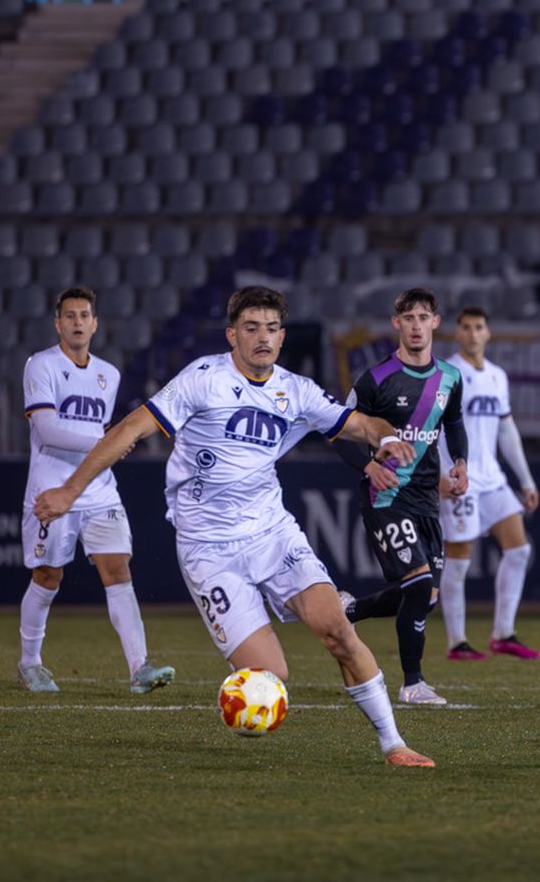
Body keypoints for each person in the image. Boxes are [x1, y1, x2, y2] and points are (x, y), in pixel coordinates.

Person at [34, 286, 436, 768]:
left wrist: (387, 437)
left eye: (270, 328)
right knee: (271, 676)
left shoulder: (296, 390)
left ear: (282, 337)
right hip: (208, 549)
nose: (262, 337)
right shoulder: (203, 380)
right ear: (232, 335)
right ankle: (245, 696)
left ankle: (394, 745)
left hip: (271, 533)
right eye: (251, 328)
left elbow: (360, 425)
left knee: (337, 632)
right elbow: (126, 431)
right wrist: (69, 491)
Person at [17, 287, 175, 696]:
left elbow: (98, 432)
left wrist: (106, 444)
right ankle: (30, 662)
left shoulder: (109, 373)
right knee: (48, 576)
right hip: (52, 489)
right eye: (69, 316)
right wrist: (107, 444)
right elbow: (48, 431)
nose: (77, 322)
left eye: (84, 315)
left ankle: (140, 667)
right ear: (58, 324)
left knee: (118, 569)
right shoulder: (41, 366)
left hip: (100, 488)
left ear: (95, 323)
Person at [333, 289, 469, 706]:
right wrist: (368, 466)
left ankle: (348, 613)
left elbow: (454, 422)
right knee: (420, 583)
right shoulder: (375, 380)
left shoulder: (450, 378)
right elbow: (340, 430)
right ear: (396, 323)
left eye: (423, 317)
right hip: (385, 496)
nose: (415, 325)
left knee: (425, 598)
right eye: (407, 317)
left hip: (428, 498)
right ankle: (412, 684)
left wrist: (460, 462)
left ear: (435, 322)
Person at [434, 307, 540, 661]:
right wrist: (441, 474)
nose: (472, 334)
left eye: (478, 327)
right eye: (465, 328)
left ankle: (503, 633)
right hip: (460, 480)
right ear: (457, 333)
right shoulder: (447, 374)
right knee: (460, 559)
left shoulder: (497, 376)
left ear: (488, 333)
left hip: (493, 479)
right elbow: (432, 428)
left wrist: (524, 480)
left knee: (519, 549)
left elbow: (507, 431)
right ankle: (457, 641)